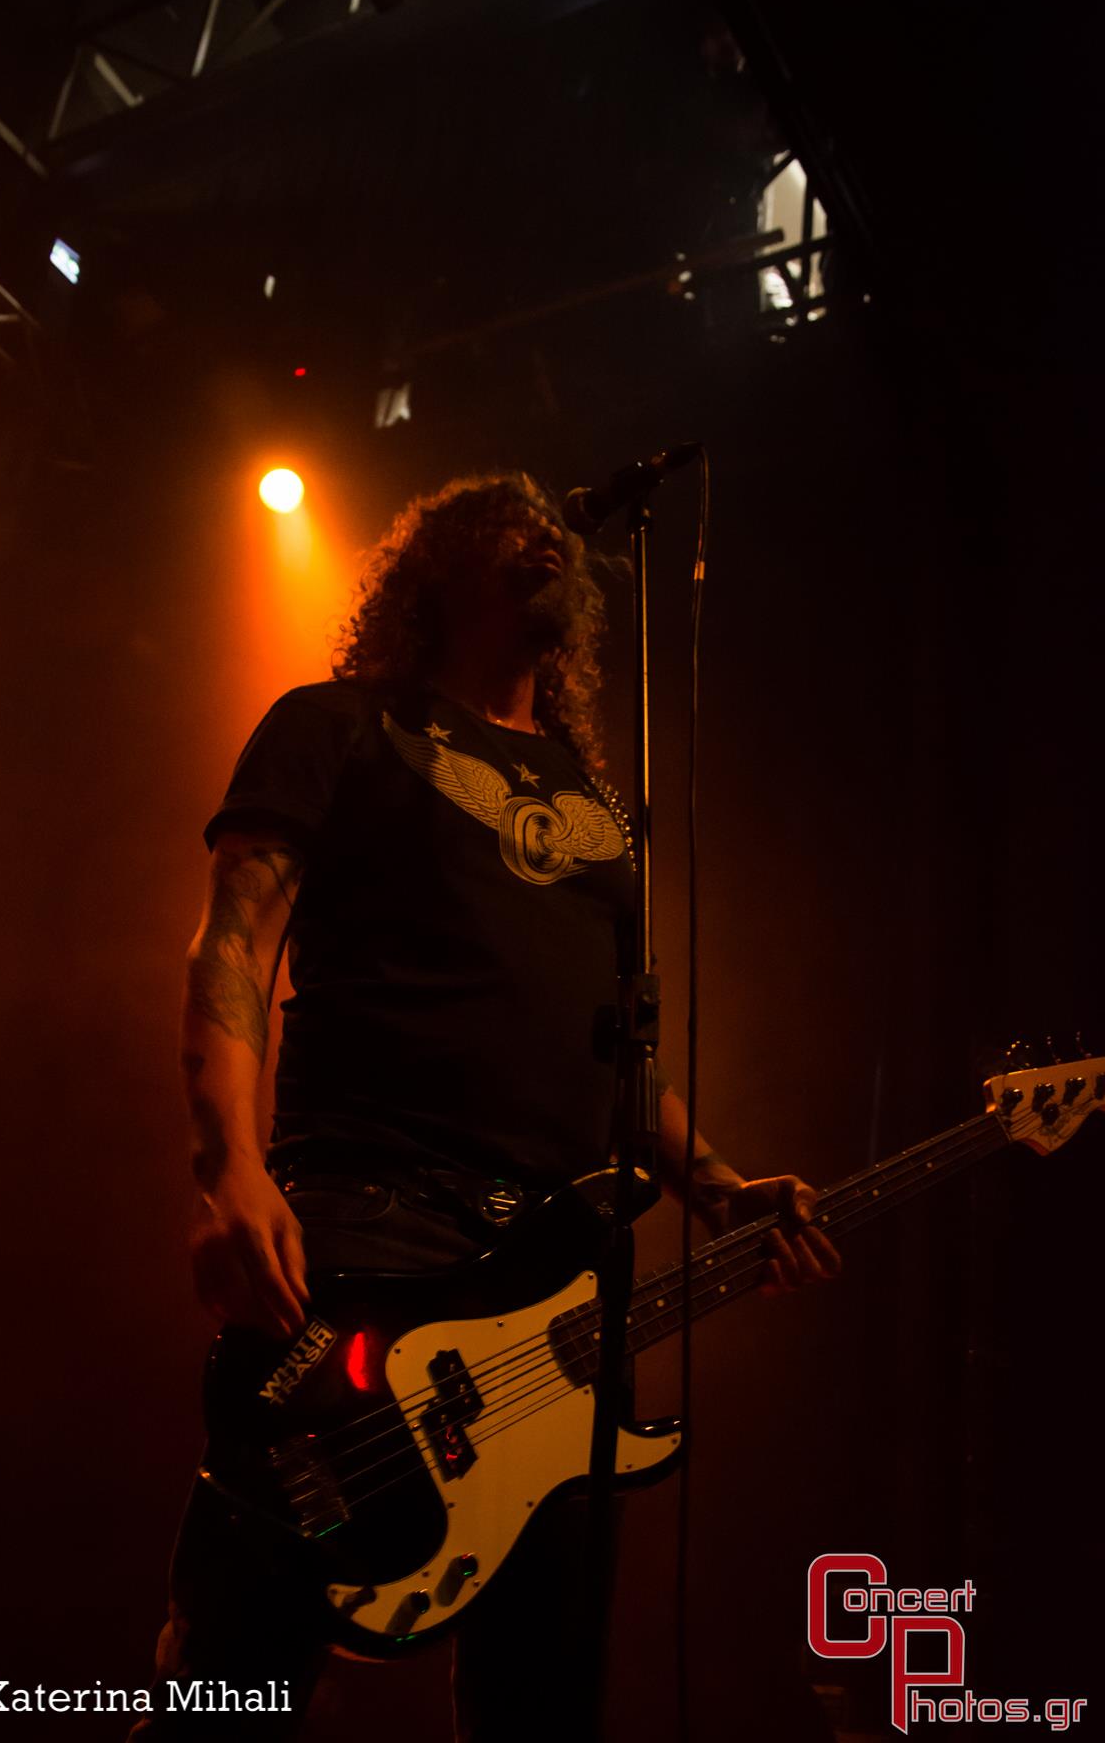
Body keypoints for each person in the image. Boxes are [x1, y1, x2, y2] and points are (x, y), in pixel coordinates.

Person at [131, 471, 839, 1741]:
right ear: (434, 570)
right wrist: (225, 1164)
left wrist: (718, 1185)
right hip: (371, 1226)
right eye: (509, 523)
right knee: (233, 1689)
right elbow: (234, 945)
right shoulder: (340, 724)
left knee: (541, 1711)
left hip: (566, 1287)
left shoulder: (598, 805)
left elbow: (613, 1056)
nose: (545, 537)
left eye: (551, 528)